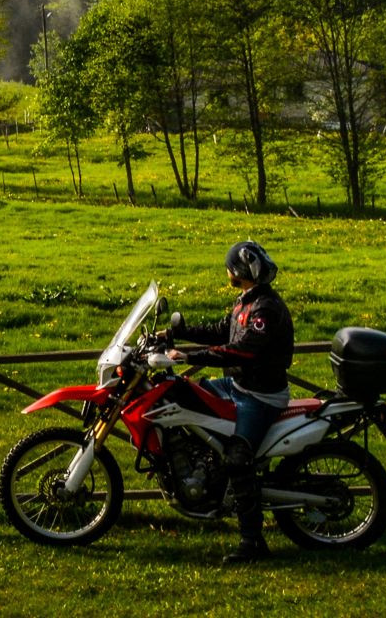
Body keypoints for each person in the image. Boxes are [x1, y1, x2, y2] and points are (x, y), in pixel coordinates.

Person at [151, 240, 295, 563]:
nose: (227, 272)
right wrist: (176, 334)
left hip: (260, 395)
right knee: (187, 393)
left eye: (230, 267)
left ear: (240, 271)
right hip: (237, 384)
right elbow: (223, 332)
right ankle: (202, 468)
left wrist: (189, 355)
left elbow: (243, 351)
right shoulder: (247, 301)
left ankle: (252, 541)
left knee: (238, 457)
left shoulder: (265, 310)